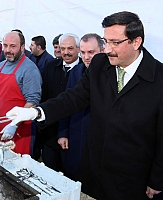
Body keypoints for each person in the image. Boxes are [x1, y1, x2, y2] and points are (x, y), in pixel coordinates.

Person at [4, 11, 163, 200]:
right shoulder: (100, 64)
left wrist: (158, 179)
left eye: (115, 42)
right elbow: (74, 98)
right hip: (93, 170)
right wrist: (35, 112)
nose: (107, 49)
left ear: (136, 42)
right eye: (106, 42)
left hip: (132, 177)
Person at [57, 33, 104, 180]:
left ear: (102, 51)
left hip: (98, 138)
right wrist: (63, 132)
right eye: (83, 52)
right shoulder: (76, 72)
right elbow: (67, 103)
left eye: (91, 52)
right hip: (76, 134)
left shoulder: (110, 75)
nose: (86, 57)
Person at [35, 33, 82, 171]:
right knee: (49, 169)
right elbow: (45, 95)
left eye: (70, 48)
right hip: (50, 130)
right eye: (63, 48)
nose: (66, 53)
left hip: (73, 131)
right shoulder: (51, 66)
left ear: (78, 49)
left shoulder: (85, 71)